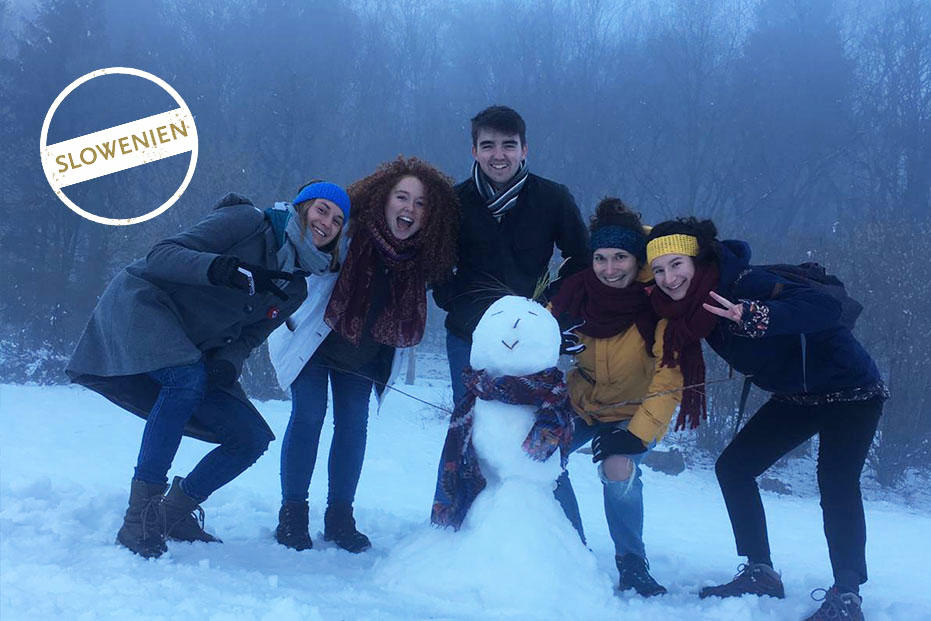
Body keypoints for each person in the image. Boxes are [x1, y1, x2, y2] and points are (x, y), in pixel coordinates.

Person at [66, 183, 351, 559]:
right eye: (322, 209)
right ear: (301, 208)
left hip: (193, 347)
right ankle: (140, 520)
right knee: (184, 379)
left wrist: (226, 363)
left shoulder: (295, 286)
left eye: (337, 220)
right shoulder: (247, 221)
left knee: (249, 437)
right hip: (145, 304)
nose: (326, 222)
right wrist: (221, 269)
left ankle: (172, 513)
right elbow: (161, 256)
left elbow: (249, 338)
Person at [645, 218, 887, 620]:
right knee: (734, 468)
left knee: (836, 482)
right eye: (659, 269)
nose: (669, 278)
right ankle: (761, 572)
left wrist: (755, 315)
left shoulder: (745, 283)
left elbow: (825, 307)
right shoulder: (688, 307)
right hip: (798, 396)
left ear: (697, 259)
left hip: (852, 390)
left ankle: (847, 596)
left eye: (677, 264)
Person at [270, 157, 458, 553]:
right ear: (383, 197)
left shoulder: (423, 258)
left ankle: (340, 517)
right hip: (314, 341)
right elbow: (301, 231)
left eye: (420, 203)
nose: (409, 208)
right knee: (309, 415)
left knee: (353, 428)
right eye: (401, 197)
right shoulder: (349, 230)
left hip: (364, 354)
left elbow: (450, 288)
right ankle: (293, 514)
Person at [548, 198, 685, 597]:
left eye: (620, 258)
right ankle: (571, 550)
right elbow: (530, 331)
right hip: (585, 402)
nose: (610, 269)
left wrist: (636, 434)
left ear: (636, 258)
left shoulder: (658, 303)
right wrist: (549, 340)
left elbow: (669, 378)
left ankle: (632, 563)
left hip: (636, 409)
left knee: (618, 468)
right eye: (601, 258)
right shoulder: (574, 292)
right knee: (540, 456)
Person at [432, 105, 589, 409]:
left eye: (509, 145)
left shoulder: (552, 198)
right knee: (468, 428)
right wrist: (454, 299)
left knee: (521, 427)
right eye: (488, 145)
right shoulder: (453, 201)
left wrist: (548, 308)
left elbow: (580, 261)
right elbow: (437, 261)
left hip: (529, 335)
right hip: (469, 333)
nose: (499, 155)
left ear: (524, 149)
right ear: (474, 151)